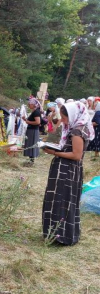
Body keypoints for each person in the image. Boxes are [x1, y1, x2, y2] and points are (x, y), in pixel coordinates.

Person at [42, 102, 93, 245]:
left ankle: (61, 236)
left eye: (65, 117)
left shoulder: (77, 131)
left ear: (73, 115)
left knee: (62, 201)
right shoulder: (78, 128)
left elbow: (77, 155)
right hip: (68, 169)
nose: (63, 120)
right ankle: (59, 234)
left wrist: (54, 152)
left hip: (66, 170)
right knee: (64, 200)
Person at [21, 98, 41, 165]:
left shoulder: (36, 112)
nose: (29, 105)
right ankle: (30, 159)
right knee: (30, 144)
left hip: (33, 130)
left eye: (30, 104)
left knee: (32, 144)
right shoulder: (34, 111)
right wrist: (25, 120)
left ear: (34, 104)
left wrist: (28, 121)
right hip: (31, 130)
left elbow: (38, 122)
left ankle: (31, 160)